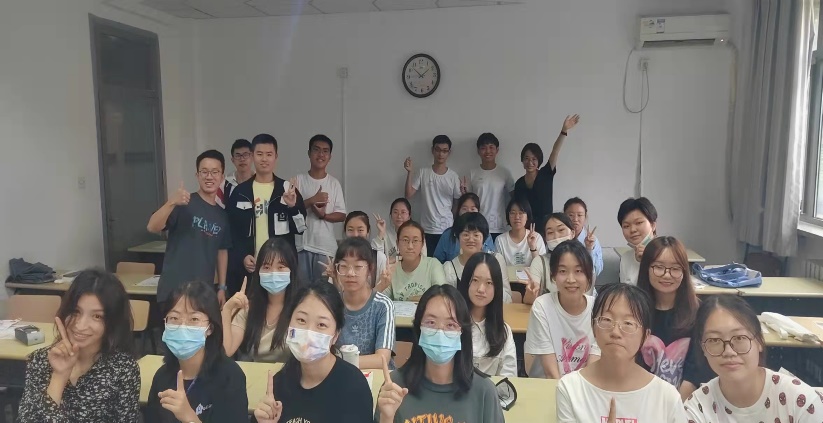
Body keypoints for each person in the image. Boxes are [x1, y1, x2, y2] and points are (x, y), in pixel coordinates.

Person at [18, 269, 140, 422]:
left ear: (112, 322)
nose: (80, 325)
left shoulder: (122, 368)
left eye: (97, 316)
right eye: (76, 312)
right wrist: (59, 376)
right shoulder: (40, 360)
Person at [556, 283, 688, 422]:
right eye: (606, 320)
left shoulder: (666, 397)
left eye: (628, 323)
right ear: (593, 327)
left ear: (645, 336)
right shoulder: (571, 388)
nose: (615, 332)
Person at [375, 285, 504, 423]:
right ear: (419, 328)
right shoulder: (394, 386)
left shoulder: (484, 392)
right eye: (431, 322)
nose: (440, 333)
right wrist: (386, 418)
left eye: (450, 325)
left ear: (462, 332)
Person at [684, 295, 823, 422]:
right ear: (703, 348)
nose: (728, 351)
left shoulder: (801, 402)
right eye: (714, 340)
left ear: (759, 341)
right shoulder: (697, 408)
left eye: (739, 338)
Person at [252, 281, 373, 422]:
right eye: (301, 320)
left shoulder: (353, 386)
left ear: (335, 335)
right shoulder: (279, 383)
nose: (308, 333)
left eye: (321, 324)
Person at [146, 281, 248, 423]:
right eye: (174, 318)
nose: (182, 326)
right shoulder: (162, 377)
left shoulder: (229, 376)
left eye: (194, 319)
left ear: (210, 328)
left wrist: (190, 418)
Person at [226, 133, 307, 298]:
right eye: (259, 154)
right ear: (252, 156)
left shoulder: (287, 189)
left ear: (276, 157)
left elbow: (301, 228)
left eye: (269, 154)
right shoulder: (240, 192)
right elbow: (231, 232)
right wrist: (242, 256)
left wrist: (292, 207)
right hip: (251, 267)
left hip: (280, 268)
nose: (264, 159)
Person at [148, 149, 231, 306]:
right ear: (197, 175)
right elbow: (152, 226)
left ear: (222, 177)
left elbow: (222, 251)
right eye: (204, 172)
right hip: (173, 291)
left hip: (202, 293)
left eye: (215, 172)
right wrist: (171, 202)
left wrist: (221, 287)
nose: (209, 176)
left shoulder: (222, 215)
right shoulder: (183, 203)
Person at [637, 236, 712, 399]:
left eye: (675, 268)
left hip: (684, 402)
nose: (667, 275)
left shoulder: (699, 313)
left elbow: (695, 373)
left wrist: (674, 408)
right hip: (641, 399)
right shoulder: (635, 311)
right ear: (646, 268)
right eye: (659, 267)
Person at [524, 240, 600, 378]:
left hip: (584, 387)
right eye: (563, 271)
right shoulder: (542, 306)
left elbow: (593, 367)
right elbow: (550, 372)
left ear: (588, 275)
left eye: (578, 271)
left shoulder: (598, 309)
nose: (571, 279)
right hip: (549, 385)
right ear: (553, 275)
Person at [221, 238, 296, 362]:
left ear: (291, 271)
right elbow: (227, 351)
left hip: (288, 373)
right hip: (254, 372)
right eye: (266, 267)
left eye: (280, 267)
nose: (273, 273)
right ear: (258, 272)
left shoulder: (300, 309)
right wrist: (227, 310)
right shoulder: (248, 307)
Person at [334, 237, 396, 369]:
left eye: (358, 267)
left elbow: (382, 359)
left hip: (376, 375)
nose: (350, 273)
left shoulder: (383, 305)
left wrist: (336, 362)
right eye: (343, 266)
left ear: (370, 269)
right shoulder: (331, 303)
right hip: (340, 374)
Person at [295, 134, 346, 283]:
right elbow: (290, 210)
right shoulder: (298, 180)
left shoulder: (334, 183)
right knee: (303, 292)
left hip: (325, 248)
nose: (321, 154)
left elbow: (342, 215)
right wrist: (311, 201)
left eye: (325, 151)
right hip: (302, 246)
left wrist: (324, 215)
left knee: (325, 292)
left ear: (330, 156)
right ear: (309, 153)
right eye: (316, 150)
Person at [457, 253, 517, 377]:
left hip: (492, 389)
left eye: (489, 283)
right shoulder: (451, 324)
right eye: (475, 280)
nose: (481, 289)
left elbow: (508, 378)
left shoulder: (504, 331)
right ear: (466, 282)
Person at [513, 114, 580, 223]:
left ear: (539, 161)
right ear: (522, 161)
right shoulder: (519, 183)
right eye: (526, 158)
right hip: (526, 227)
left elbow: (555, 151)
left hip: (546, 226)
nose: (530, 162)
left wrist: (564, 131)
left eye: (534, 159)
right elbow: (517, 208)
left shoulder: (546, 174)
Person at [404, 135, 462, 256]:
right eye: (438, 150)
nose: (441, 154)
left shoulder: (453, 176)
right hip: (427, 229)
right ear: (432, 150)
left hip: (447, 229)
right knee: (428, 262)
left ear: (449, 153)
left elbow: (457, 202)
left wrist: (451, 218)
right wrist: (410, 172)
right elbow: (408, 194)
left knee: (447, 263)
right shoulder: (423, 172)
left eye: (444, 151)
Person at [443, 212, 512, 303]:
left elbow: (508, 299)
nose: (471, 239)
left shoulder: (497, 260)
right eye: (466, 235)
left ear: (484, 238)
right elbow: (447, 301)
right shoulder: (450, 267)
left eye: (476, 235)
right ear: (458, 238)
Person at [524, 212, 592, 304]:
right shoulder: (539, 262)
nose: (556, 236)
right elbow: (528, 301)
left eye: (561, 230)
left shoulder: (583, 260)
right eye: (550, 232)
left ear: (572, 233)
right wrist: (531, 293)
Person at [377, 220, 447, 301]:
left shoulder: (433, 265)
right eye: (405, 240)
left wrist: (414, 299)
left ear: (422, 244)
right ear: (397, 243)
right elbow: (376, 300)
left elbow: (443, 295)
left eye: (415, 241)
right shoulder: (392, 270)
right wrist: (382, 285)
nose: (410, 246)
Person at [464, 133, 515, 240]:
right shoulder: (472, 173)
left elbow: (514, 198)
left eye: (491, 147)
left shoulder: (504, 173)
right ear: (478, 151)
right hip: (477, 226)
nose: (487, 151)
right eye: (483, 148)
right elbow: (467, 201)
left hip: (499, 226)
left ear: (497, 150)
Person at [432, 192, 495, 263]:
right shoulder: (448, 234)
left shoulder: (486, 234)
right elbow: (437, 262)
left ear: (478, 211)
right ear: (458, 211)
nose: (468, 212)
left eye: (473, 209)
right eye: (464, 209)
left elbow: (491, 260)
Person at [617, 197, 658, 285]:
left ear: (653, 225)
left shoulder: (666, 254)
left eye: (639, 223)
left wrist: (646, 261)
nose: (632, 230)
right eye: (626, 226)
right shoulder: (626, 257)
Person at [494, 198, 545, 266]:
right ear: (508, 216)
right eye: (513, 213)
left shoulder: (536, 237)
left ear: (527, 216)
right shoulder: (500, 240)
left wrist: (533, 248)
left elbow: (541, 268)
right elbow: (498, 268)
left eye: (521, 213)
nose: (517, 217)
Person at [563, 197, 603, 277]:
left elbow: (597, 271)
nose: (575, 219)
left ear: (585, 217)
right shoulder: (558, 237)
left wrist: (589, 249)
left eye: (580, 215)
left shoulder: (593, 241)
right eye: (571, 215)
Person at [343, 211, 388, 280]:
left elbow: (383, 284)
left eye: (360, 230)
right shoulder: (339, 257)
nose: (355, 235)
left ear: (367, 232)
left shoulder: (379, 258)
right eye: (350, 230)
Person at [217, 138, 253, 208]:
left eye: (245, 155)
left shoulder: (261, 182)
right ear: (232, 160)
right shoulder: (224, 185)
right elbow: (218, 211)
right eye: (238, 156)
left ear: (252, 157)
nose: (242, 159)